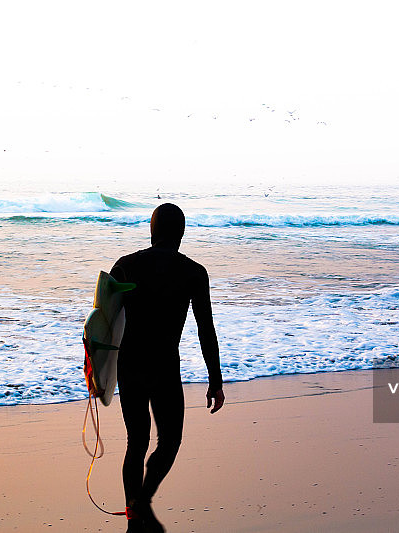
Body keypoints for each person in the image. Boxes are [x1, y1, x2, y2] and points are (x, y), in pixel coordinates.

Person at [110, 203, 224, 533]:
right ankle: (142, 502)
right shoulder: (193, 272)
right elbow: (206, 328)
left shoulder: (125, 265)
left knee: (137, 441)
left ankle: (136, 516)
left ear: (152, 230)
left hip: (128, 365)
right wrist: (214, 380)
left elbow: (100, 322)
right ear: (181, 233)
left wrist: (94, 370)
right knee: (169, 441)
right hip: (164, 367)